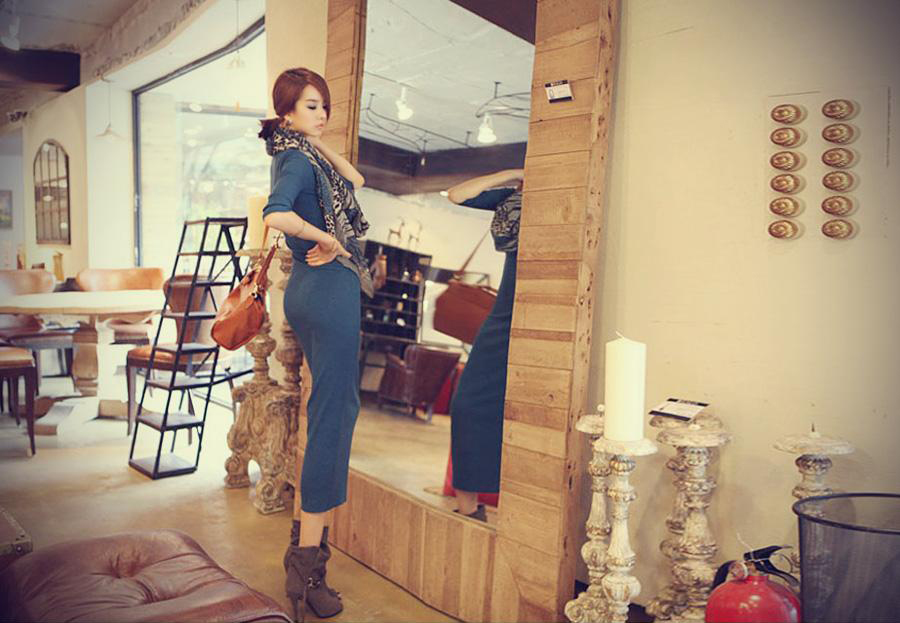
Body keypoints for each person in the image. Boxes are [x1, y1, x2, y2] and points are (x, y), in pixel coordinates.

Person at [259, 67, 374, 622]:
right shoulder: (296, 161)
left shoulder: (301, 153)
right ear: (286, 111)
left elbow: (358, 179)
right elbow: (276, 213)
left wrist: (314, 137)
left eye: (324, 105)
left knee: (331, 411)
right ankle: (306, 572)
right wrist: (326, 235)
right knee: (334, 416)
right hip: (327, 289)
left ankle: (304, 556)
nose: (322, 113)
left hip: (313, 288)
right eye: (310, 106)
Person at [446, 168, 524, 521]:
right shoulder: (513, 197)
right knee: (468, 404)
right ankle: (470, 509)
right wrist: (513, 174)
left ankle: (521, 516)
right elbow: (456, 194)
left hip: (552, 308)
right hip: (506, 310)